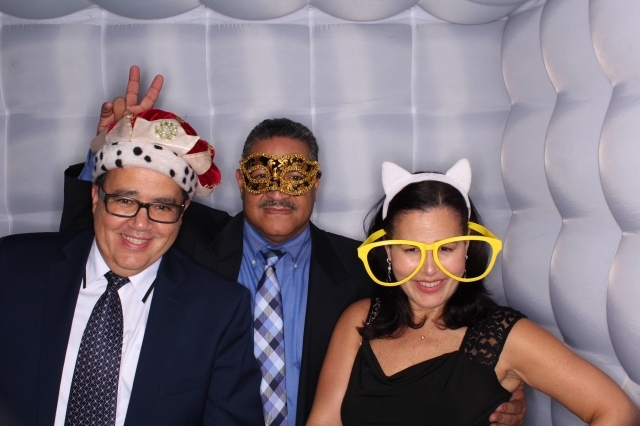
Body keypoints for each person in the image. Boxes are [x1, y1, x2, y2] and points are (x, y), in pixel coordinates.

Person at [58, 65, 528, 426]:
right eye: (261, 175)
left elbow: (438, 313)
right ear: (240, 181)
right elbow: (92, 240)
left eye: (296, 176)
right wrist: (113, 151)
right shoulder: (182, 232)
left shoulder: (364, 267)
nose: (277, 191)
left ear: (316, 184)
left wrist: (500, 379)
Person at [306, 159, 640, 426]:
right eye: (411, 250)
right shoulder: (360, 319)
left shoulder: (502, 335)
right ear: (388, 253)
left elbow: (617, 412)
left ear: (467, 250)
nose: (429, 269)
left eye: (446, 248)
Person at [0, 110, 263, 426]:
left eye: (162, 207)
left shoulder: (218, 309)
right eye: (125, 201)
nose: (140, 224)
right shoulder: (12, 269)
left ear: (182, 213)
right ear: (95, 197)